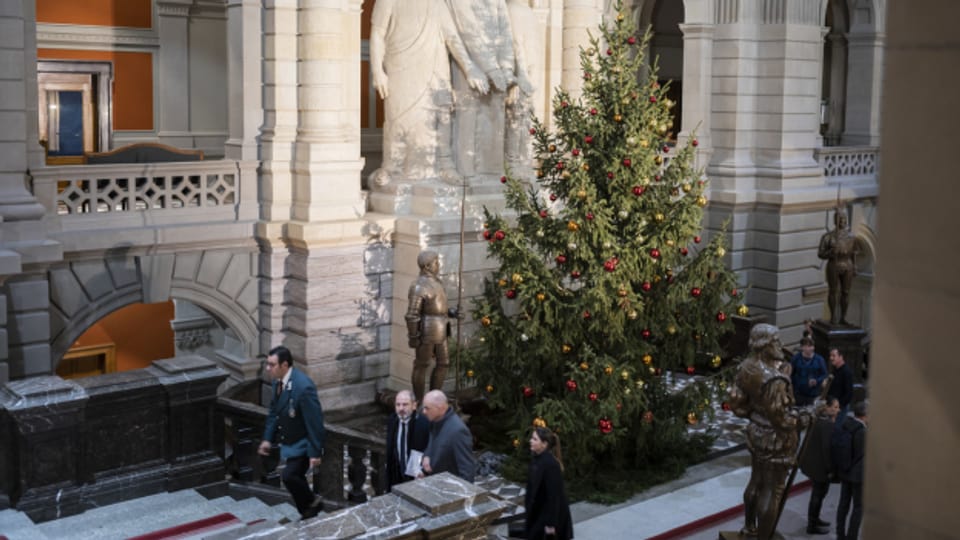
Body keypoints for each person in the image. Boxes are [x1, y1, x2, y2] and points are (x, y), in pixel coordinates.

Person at [368, 0, 488, 187]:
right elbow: (377, 34)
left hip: (435, 68)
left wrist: (470, 68)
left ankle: (445, 166)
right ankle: (391, 167)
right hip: (401, 68)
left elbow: (452, 38)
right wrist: (377, 72)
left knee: (442, 116)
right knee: (399, 117)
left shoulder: (436, 3)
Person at [728, 323, 810, 539]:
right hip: (776, 439)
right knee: (772, 490)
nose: (780, 345)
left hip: (756, 431)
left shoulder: (746, 367)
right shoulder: (774, 380)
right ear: (764, 345)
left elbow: (738, 405)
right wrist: (807, 416)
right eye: (776, 341)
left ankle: (749, 528)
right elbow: (782, 420)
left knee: (756, 481)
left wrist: (756, 414)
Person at [446, 0, 516, 181]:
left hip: (498, 68)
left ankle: (492, 173)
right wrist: (492, 69)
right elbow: (467, 30)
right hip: (469, 64)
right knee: (468, 118)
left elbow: (507, 33)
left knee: (495, 119)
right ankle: (467, 174)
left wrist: (507, 68)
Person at [258, 345, 326, 520]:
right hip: (290, 441)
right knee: (292, 476)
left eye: (271, 365)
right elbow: (274, 413)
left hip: (303, 442)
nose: (268, 368)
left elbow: (315, 423)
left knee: (289, 475)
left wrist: (315, 452)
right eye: (267, 364)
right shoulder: (278, 383)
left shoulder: (304, 388)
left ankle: (312, 505)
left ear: (284, 365)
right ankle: (309, 509)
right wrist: (267, 439)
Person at [405, 250, 459, 402]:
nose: (438, 265)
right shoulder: (418, 286)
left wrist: (453, 312)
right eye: (436, 262)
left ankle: (434, 400)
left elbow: (440, 308)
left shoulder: (437, 282)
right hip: (427, 330)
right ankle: (420, 402)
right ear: (427, 266)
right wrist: (414, 336)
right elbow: (412, 315)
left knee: (444, 363)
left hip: (442, 329)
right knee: (422, 365)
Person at [799, 396, 841, 535]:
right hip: (820, 467)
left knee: (819, 494)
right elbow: (827, 448)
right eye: (835, 407)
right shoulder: (827, 424)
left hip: (813, 463)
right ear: (827, 408)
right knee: (818, 495)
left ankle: (815, 519)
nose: (838, 410)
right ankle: (812, 525)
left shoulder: (819, 420)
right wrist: (830, 469)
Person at [525, 427, 574, 540]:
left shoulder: (551, 465)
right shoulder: (537, 459)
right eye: (532, 438)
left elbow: (554, 496)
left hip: (547, 516)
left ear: (544, 444)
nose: (530, 441)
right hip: (538, 512)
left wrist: (551, 524)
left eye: (534, 439)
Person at [420, 390, 476, 482]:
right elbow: (432, 442)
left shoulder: (458, 431)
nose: (424, 412)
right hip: (435, 484)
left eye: (427, 408)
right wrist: (427, 455)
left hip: (449, 490)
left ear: (441, 408)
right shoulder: (435, 420)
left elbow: (467, 470)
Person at [817, 208, 858, 325]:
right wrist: (830, 252)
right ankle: (833, 317)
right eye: (840, 219)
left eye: (844, 219)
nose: (843, 221)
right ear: (835, 221)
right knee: (833, 291)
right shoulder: (828, 237)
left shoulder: (852, 236)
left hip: (848, 265)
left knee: (846, 292)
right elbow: (820, 253)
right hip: (833, 265)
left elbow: (854, 252)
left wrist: (855, 266)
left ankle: (843, 317)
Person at [835, 401, 868, 540]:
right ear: (865, 415)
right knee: (858, 507)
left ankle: (840, 534)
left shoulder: (845, 424)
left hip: (845, 471)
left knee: (843, 504)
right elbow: (861, 455)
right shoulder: (862, 431)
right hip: (857, 475)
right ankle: (851, 537)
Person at [386, 390, 430, 490]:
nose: (401, 408)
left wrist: (424, 471)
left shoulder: (423, 424)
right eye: (398, 405)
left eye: (405, 404)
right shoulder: (392, 420)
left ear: (414, 405)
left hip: (417, 477)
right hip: (397, 475)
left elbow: (431, 448)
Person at [790, 337, 829, 406]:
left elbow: (824, 374)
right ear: (802, 347)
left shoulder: (819, 359)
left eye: (812, 346)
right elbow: (791, 373)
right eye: (808, 346)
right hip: (798, 393)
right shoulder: (796, 359)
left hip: (813, 393)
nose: (810, 348)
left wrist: (817, 380)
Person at [827, 347, 854, 420]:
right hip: (832, 406)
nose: (831, 358)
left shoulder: (846, 372)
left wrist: (838, 407)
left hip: (840, 409)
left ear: (840, 357)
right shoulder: (835, 370)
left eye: (833, 356)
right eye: (830, 356)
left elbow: (849, 393)